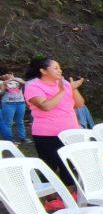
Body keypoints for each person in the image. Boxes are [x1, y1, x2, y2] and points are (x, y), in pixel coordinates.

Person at [23, 58, 84, 186]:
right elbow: (46, 106)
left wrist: (73, 89)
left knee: (70, 166)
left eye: (60, 67)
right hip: (47, 134)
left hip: (70, 132)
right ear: (43, 71)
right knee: (50, 166)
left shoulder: (64, 83)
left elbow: (79, 104)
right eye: (55, 68)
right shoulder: (33, 86)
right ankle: (48, 197)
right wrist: (62, 91)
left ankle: (70, 197)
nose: (60, 70)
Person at [0, 69, 28, 144]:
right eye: (1, 75)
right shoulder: (1, 82)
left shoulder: (18, 79)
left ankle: (23, 138)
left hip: (20, 103)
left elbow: (25, 83)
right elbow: (1, 94)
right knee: (8, 122)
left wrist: (13, 79)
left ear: (9, 73)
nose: (3, 76)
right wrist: (4, 86)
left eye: (5, 74)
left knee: (20, 121)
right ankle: (10, 140)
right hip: (8, 103)